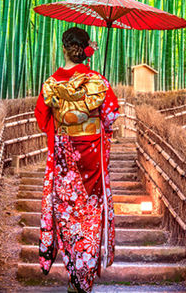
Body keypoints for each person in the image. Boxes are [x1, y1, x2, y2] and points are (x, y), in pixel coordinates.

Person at [34, 26, 119, 293]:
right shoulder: (98, 81)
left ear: (63, 48)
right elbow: (110, 116)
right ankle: (85, 274)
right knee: (91, 211)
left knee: (67, 210)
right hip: (91, 153)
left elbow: (41, 119)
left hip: (63, 154)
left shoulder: (51, 83)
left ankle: (73, 271)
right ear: (86, 50)